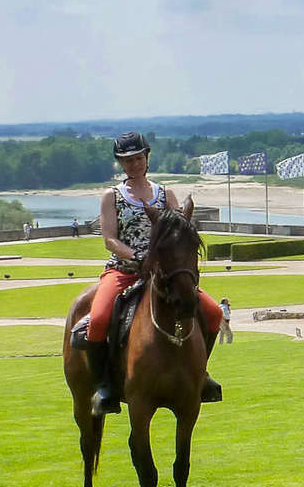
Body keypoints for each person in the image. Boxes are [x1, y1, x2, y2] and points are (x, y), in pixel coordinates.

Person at [84, 132, 225, 417]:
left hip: (165, 274)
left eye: (138, 158)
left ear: (147, 157)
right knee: (98, 319)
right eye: (128, 160)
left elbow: (180, 232)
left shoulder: (166, 194)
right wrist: (138, 256)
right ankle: (105, 387)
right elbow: (109, 239)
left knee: (212, 313)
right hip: (124, 270)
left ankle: (201, 373)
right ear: (120, 163)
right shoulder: (111, 196)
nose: (134, 164)